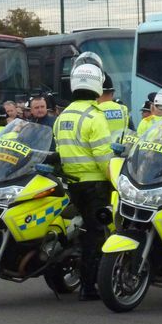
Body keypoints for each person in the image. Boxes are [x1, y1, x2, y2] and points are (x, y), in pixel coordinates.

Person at [52, 62, 112, 301]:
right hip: (95, 184)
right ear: (97, 85)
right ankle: (89, 287)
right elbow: (103, 157)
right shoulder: (95, 116)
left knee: (77, 229)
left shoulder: (63, 115)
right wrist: (115, 179)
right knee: (96, 234)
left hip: (70, 183)